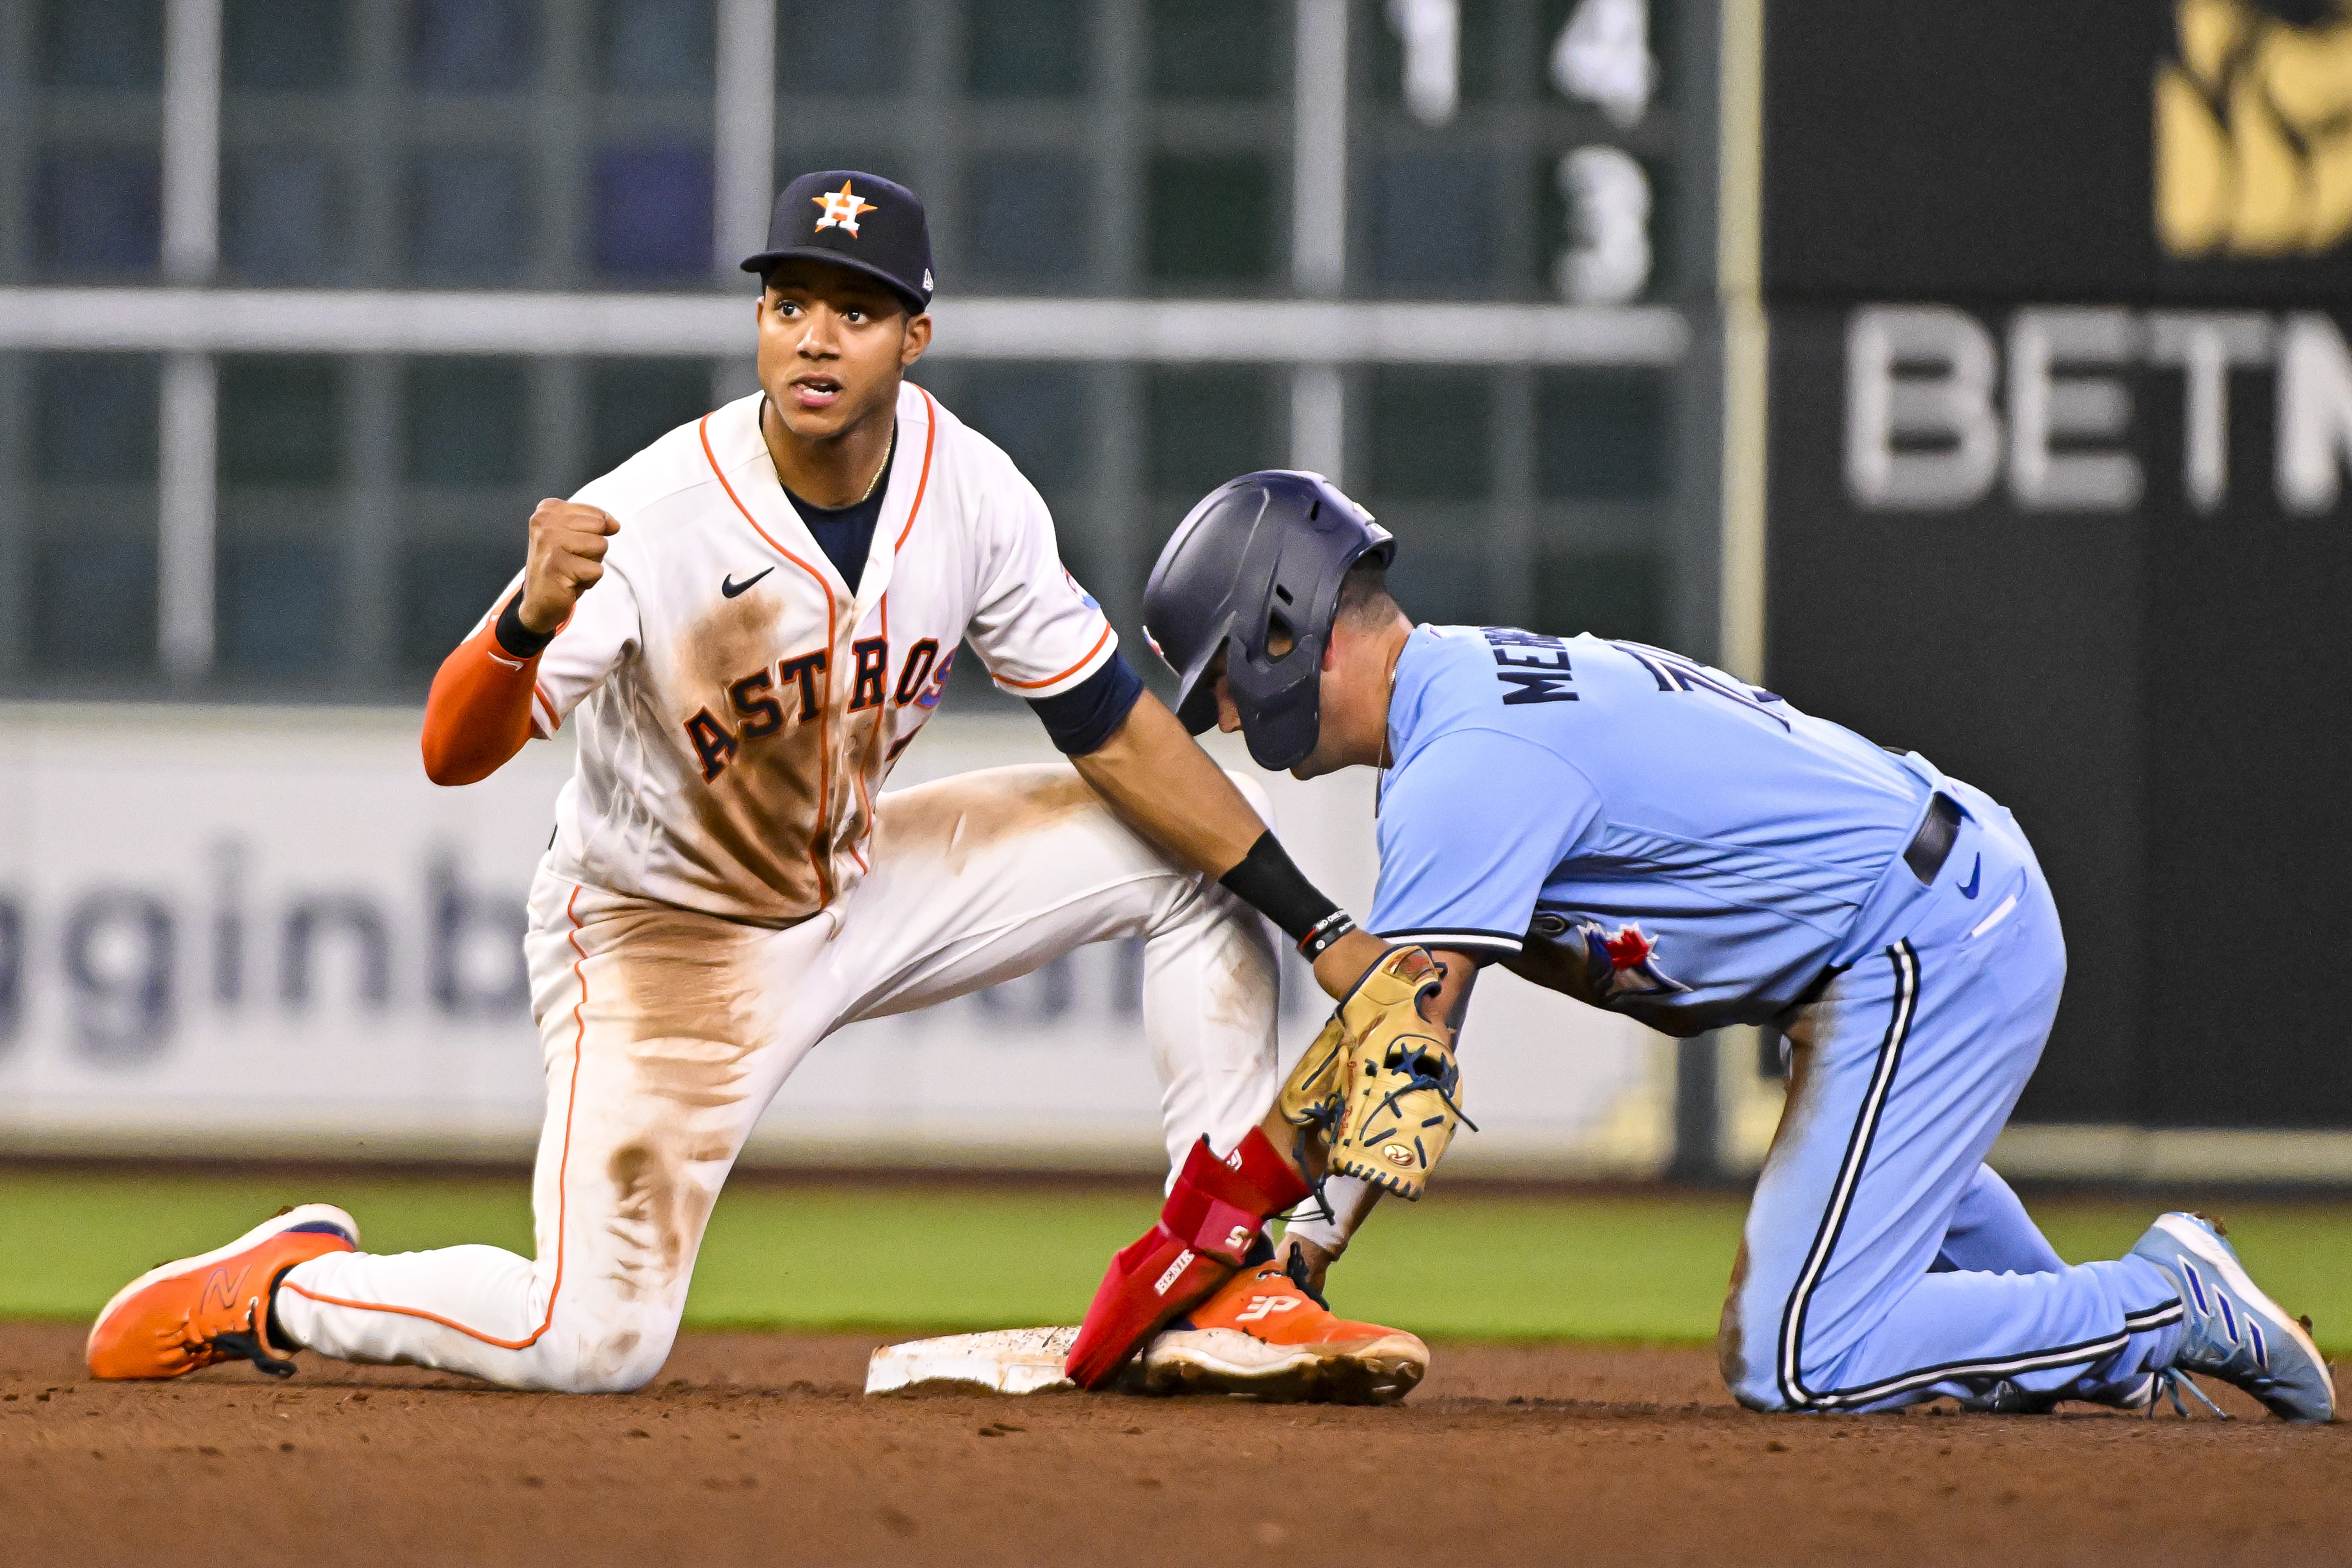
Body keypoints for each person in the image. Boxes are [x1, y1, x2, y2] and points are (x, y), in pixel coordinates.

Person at [83, 173, 1422, 1399]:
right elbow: (451, 749)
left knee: (1182, 863)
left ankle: (1224, 1278)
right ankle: (289, 1289)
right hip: (662, 939)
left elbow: (1115, 730)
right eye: (789, 305)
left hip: (857, 880)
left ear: (916, 339)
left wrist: (1325, 930)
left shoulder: (975, 495)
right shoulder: (655, 517)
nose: (815, 338)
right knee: (591, 1342)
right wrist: (524, 625)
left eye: (855, 309)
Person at [1134, 468, 2334, 1421]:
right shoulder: (1463, 701)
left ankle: (2163, 1302)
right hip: (1914, 926)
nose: (1225, 716)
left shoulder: (1465, 762)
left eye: (1224, 680)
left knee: (1798, 1354)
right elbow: (1412, 1015)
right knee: (1910, 1284)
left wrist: (1296, 1249)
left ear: (1285, 630)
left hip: (1922, 939)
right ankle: (2118, 1359)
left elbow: (1405, 1038)